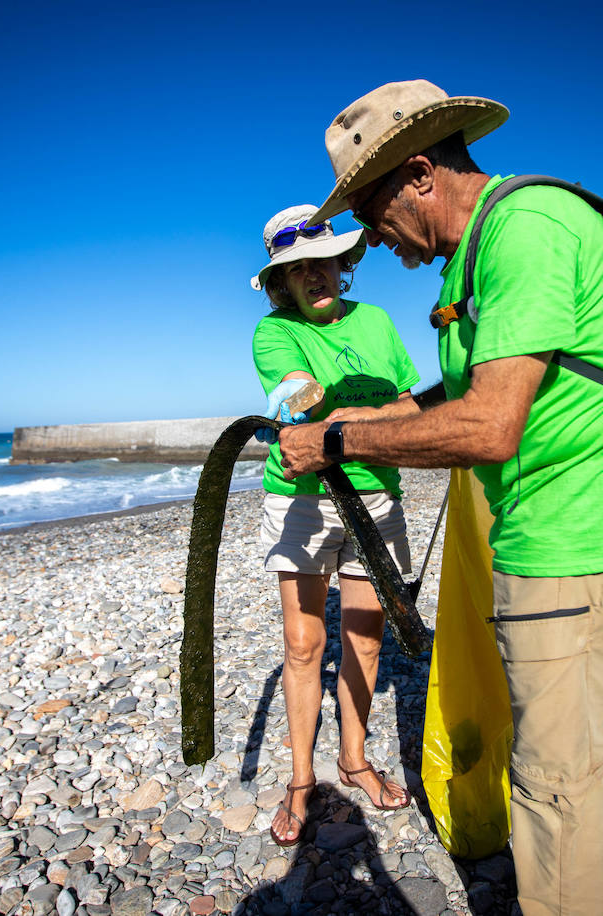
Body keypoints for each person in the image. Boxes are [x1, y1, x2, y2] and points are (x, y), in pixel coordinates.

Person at [277, 81, 603, 914]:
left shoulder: (523, 234)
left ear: (420, 173)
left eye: (370, 207)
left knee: (549, 777)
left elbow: (491, 425)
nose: (367, 237)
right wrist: (369, 413)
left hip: (569, 537)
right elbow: (475, 383)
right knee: (591, 728)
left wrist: (337, 441)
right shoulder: (496, 237)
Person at [249, 204, 422, 847]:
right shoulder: (273, 333)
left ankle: (353, 761)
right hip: (301, 499)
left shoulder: (375, 321)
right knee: (303, 645)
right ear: (281, 283)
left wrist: (351, 417)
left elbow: (410, 400)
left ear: (342, 264)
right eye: (298, 269)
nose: (315, 275)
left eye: (324, 261)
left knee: (367, 640)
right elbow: (297, 397)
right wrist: (366, 412)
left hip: (378, 496)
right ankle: (300, 780)